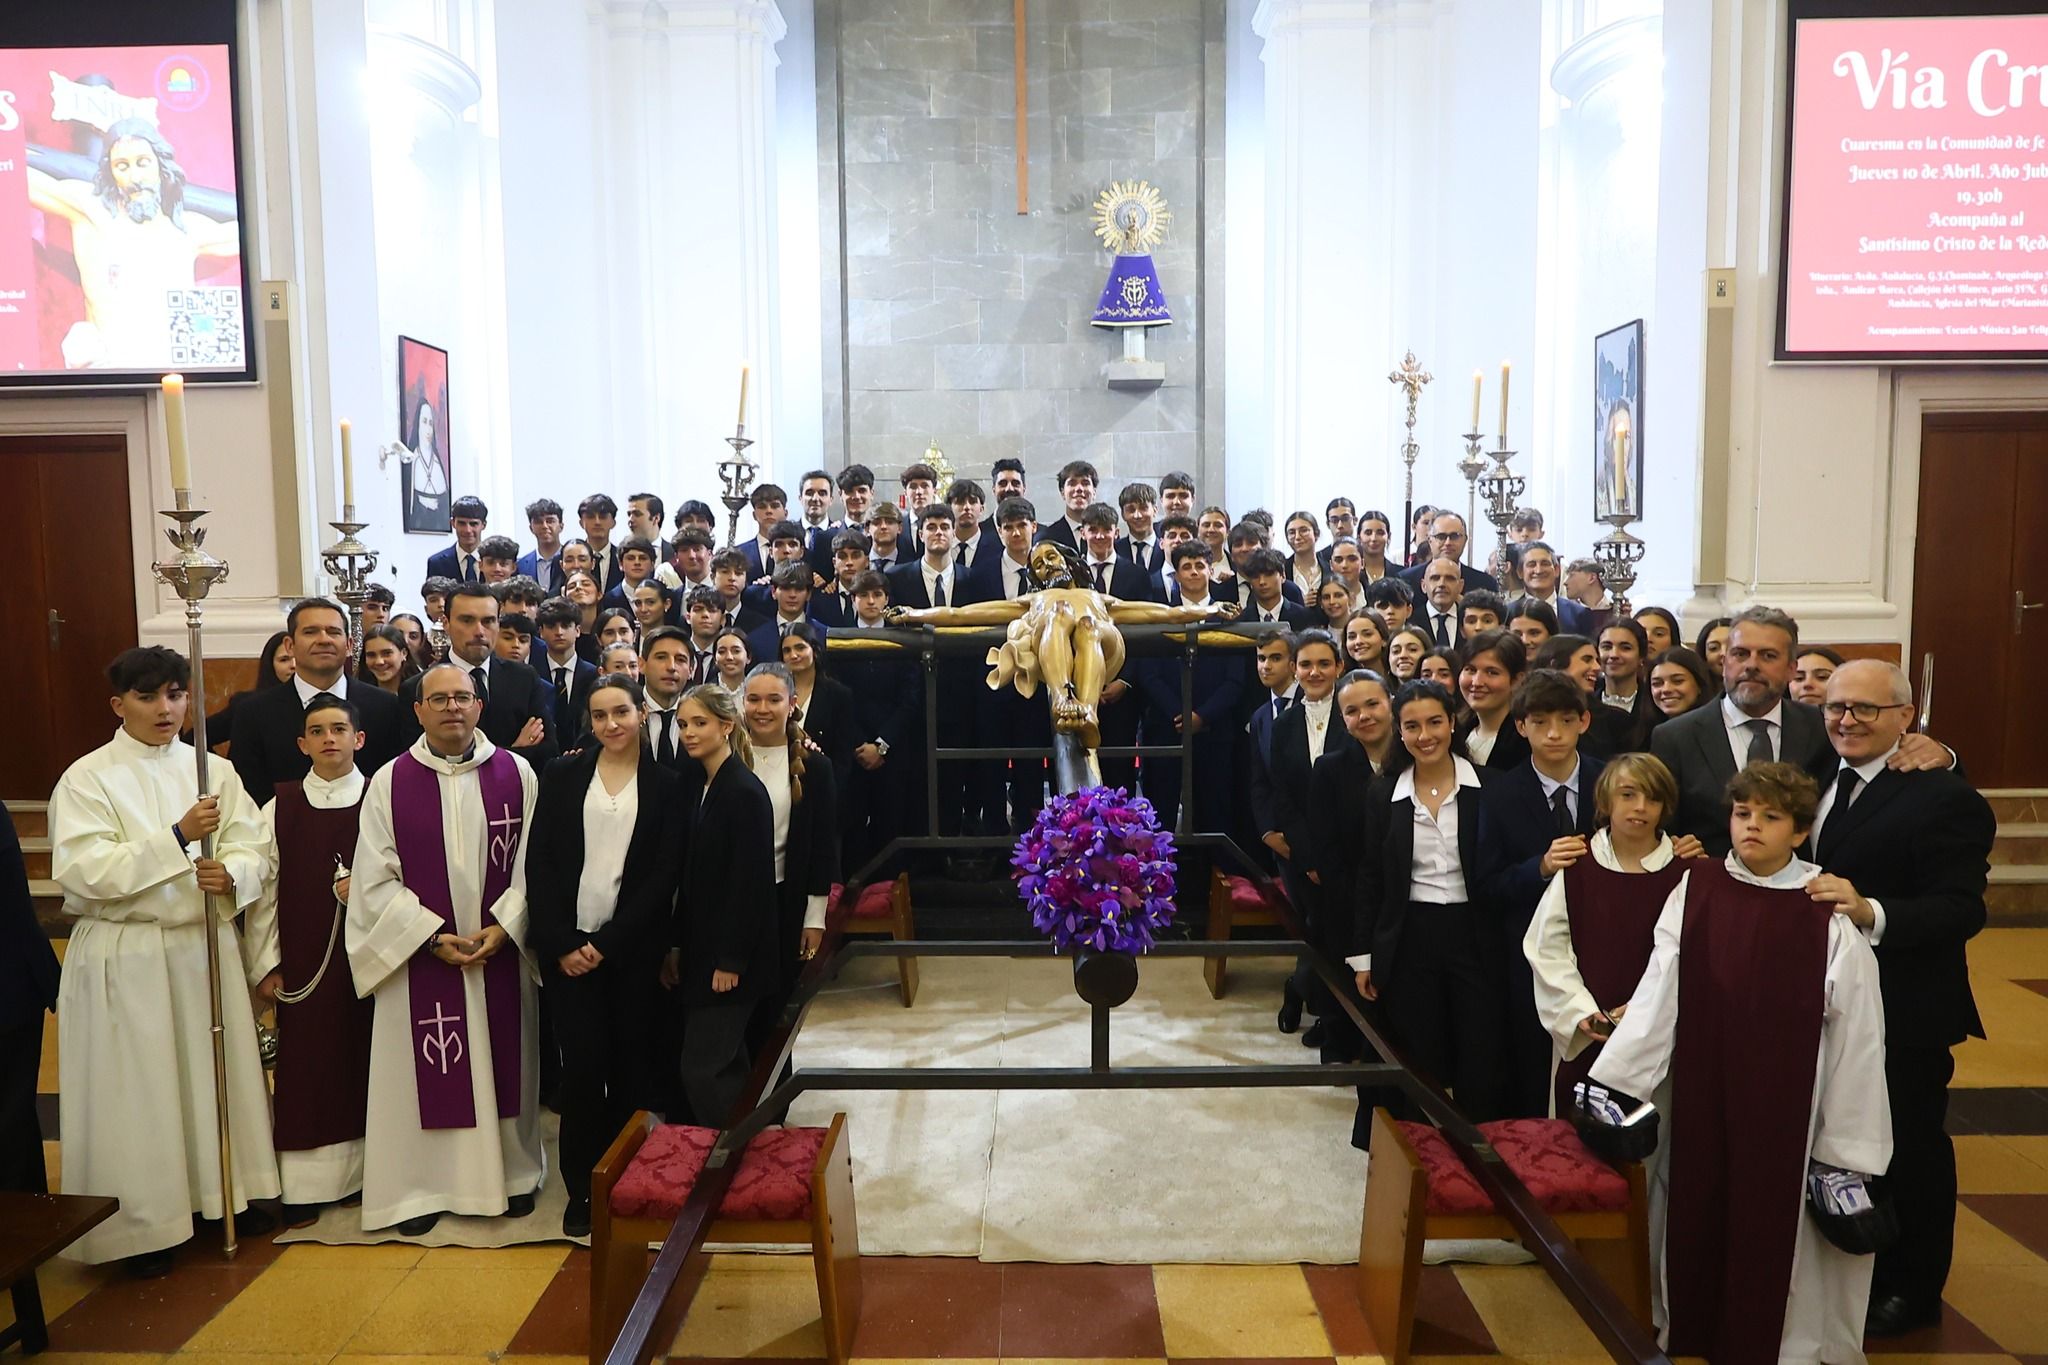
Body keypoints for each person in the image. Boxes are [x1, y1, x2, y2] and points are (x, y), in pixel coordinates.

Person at [1587, 763, 1889, 1364]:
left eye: (1771, 817)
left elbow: (1859, 1032)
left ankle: (1771, 1342)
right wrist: (1618, 1081)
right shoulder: (1698, 888)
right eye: (1742, 813)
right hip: (1705, 1080)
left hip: (1788, 1095)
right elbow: (1659, 988)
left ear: (1800, 832)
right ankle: (1694, 1325)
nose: (1752, 827)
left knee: (1771, 1226)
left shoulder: (1823, 913)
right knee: (1695, 1201)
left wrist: (1847, 1148)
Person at [52, 647, 279, 1273]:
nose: (166, 708)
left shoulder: (213, 771)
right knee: (142, 1090)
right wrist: (176, 838)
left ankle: (221, 1195)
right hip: (128, 953)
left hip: (199, 946)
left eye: (177, 694)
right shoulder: (88, 776)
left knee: (211, 1074)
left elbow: (253, 845)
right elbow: (82, 868)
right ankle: (141, 1224)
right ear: (118, 704)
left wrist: (230, 873)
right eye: (149, 696)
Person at [1806, 661, 1996, 1336]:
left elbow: (1960, 908)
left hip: (1906, 1006)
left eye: (1864, 709)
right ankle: (1852, 1270)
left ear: (1903, 715)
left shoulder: (1943, 796)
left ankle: (1912, 1288)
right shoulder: (1822, 773)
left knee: (1910, 1148)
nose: (1847, 720)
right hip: (1829, 1004)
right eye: (1835, 707)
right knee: (1848, 1141)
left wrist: (1872, 912)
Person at [347, 660, 543, 1235]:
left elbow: (535, 866)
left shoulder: (517, 773)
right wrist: (429, 937)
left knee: (506, 1060)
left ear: (479, 706)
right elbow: (372, 878)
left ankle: (511, 1174)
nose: (452, 707)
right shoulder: (389, 780)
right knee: (426, 1072)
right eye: (439, 699)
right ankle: (421, 1187)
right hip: (422, 960)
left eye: (463, 697)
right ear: (418, 710)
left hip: (497, 949)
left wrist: (506, 927)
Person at [524, 672, 682, 1236]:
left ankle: (630, 1180)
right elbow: (538, 863)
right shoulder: (564, 773)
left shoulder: (667, 783)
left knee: (632, 1067)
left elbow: (664, 875)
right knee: (584, 1072)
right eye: (599, 715)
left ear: (640, 713)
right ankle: (582, 1189)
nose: (610, 724)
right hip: (569, 952)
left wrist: (608, 944)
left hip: (631, 952)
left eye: (620, 712)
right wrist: (563, 943)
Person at [1651, 606, 1948, 853]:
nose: (1751, 666)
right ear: (1725, 662)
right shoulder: (1675, 736)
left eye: (1768, 656)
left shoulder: (1828, 727)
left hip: (1808, 897)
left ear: (1792, 668)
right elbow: (1660, 827)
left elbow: (1888, 769)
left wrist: (1946, 756)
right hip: (1716, 894)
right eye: (1741, 654)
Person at [1347, 680, 1505, 1136]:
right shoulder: (1383, 794)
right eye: (1412, 726)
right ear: (1399, 731)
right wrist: (1363, 956)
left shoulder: (1490, 787)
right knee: (1418, 1048)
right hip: (1410, 933)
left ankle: (1481, 1153)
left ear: (1453, 722)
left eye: (1435, 722)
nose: (1425, 735)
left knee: (1480, 1045)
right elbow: (1370, 878)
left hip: (1474, 932)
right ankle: (1421, 1153)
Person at [245, 693, 376, 1227]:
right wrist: (267, 964)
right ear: (302, 744)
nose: (329, 739)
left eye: (338, 729)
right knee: (310, 1065)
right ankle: (306, 1182)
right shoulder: (280, 805)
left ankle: (369, 1175)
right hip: (305, 963)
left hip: (370, 959)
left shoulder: (381, 796)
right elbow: (263, 892)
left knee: (364, 1061)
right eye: (317, 731)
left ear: (358, 739)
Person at [1522, 752, 1698, 1117]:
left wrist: (1643, 1011)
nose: (1640, 807)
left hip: (1657, 1029)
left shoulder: (1685, 872)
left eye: (1653, 798)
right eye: (1628, 795)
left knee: (1649, 1139)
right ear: (1605, 801)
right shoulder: (1579, 867)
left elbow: (1692, 953)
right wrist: (1580, 1011)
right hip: (1590, 1028)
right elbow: (1547, 947)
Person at [26, 118, 243, 368]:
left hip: (173, 373)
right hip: (109, 376)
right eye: (122, 166)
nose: (135, 176)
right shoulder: (92, 212)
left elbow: (255, 235)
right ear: (111, 172)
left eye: (143, 163)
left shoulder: (189, 230)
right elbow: (20, 177)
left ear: (160, 166)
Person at [664, 686, 777, 1124]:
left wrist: (731, 960)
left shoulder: (743, 792)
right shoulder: (701, 783)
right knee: (727, 1064)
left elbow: (748, 885)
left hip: (733, 959)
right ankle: (745, 1153)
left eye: (699, 723)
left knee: (703, 1069)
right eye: (683, 724)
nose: (688, 733)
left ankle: (726, 1162)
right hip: (703, 948)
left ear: (726, 726)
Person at [739, 663, 840, 1057]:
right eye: (754, 699)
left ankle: (772, 1101)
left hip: (785, 900)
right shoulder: (722, 758)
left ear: (792, 704)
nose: (762, 709)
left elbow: (821, 849)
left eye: (773, 699)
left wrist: (814, 917)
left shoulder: (815, 768)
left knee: (776, 1010)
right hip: (733, 901)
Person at [398, 585, 560, 773]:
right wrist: (514, 752)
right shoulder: (418, 687)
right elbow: (422, 762)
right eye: (467, 620)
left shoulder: (524, 678)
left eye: (488, 621)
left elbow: (548, 751)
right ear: (446, 623)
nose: (479, 631)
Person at [836, 570, 924, 871]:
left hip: (893, 750)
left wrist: (882, 744)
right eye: (864, 595)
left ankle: (890, 900)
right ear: (853, 599)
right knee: (853, 826)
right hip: (853, 750)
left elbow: (911, 700)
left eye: (877, 595)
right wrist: (859, 744)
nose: (871, 601)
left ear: (887, 599)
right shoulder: (839, 639)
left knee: (892, 825)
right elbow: (839, 700)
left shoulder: (904, 640)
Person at [0, 803, 58, 1198]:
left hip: (12, 984)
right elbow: (15, 905)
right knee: (12, 1116)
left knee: (13, 1115)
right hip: (12, 983)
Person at [782, 623, 855, 792]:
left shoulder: (838, 694)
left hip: (823, 787)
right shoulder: (775, 694)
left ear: (814, 651)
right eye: (787, 650)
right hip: (782, 784)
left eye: (800, 648)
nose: (793, 655)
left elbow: (843, 756)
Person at [1456, 628, 1529, 772]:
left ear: (1516, 680)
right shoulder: (1457, 732)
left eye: (1492, 672)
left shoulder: (1525, 740)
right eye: (1470, 670)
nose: (1476, 682)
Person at [536, 598, 598, 740]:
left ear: (577, 630)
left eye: (565, 626)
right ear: (541, 632)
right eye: (551, 626)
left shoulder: (594, 675)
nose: (559, 632)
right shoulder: (530, 675)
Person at [1397, 513, 1500, 594]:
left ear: (1465, 540)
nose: (1448, 543)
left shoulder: (1485, 584)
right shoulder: (1406, 580)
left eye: (1454, 536)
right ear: (1430, 540)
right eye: (1441, 537)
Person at [640, 627, 695, 770]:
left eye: (680, 660)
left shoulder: (703, 717)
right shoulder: (623, 711)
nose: (671, 667)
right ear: (641, 664)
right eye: (661, 657)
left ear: (691, 670)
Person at [1512, 542, 1591, 636]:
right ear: (1520, 572)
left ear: (1557, 570)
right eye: (1531, 564)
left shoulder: (1579, 614)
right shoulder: (1509, 613)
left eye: (1545, 564)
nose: (1538, 570)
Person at [427, 496, 490, 583]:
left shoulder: (498, 562)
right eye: (462, 523)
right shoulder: (437, 563)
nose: (467, 530)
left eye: (473, 524)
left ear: (484, 525)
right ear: (452, 523)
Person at [518, 498, 567, 595]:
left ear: (561, 526)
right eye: (538, 522)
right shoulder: (521, 565)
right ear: (531, 528)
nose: (544, 526)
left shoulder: (572, 560)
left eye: (550, 521)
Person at [1414, 557, 1465, 649]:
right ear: (1424, 585)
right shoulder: (1410, 621)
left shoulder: (1469, 619)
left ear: (1460, 586)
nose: (1442, 584)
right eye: (1435, 578)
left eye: (1450, 578)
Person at [579, 493, 625, 591]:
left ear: (613, 522)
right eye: (591, 517)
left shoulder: (623, 558)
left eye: (603, 517)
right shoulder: (568, 558)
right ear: (581, 523)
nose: (597, 522)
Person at [358, 624, 420, 696]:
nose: (379, 661)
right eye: (371, 655)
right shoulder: (356, 697)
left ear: (404, 653)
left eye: (387, 653)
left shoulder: (422, 694)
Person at [1343, 607, 1390, 673]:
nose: (1358, 641)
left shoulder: (1400, 678)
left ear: (1384, 639)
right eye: (1352, 637)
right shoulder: (1342, 681)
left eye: (1367, 634)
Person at [712, 628, 753, 695]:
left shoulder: (758, 690)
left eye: (736, 651)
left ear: (748, 657)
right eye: (722, 652)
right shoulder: (704, 694)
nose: (729, 657)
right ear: (715, 659)